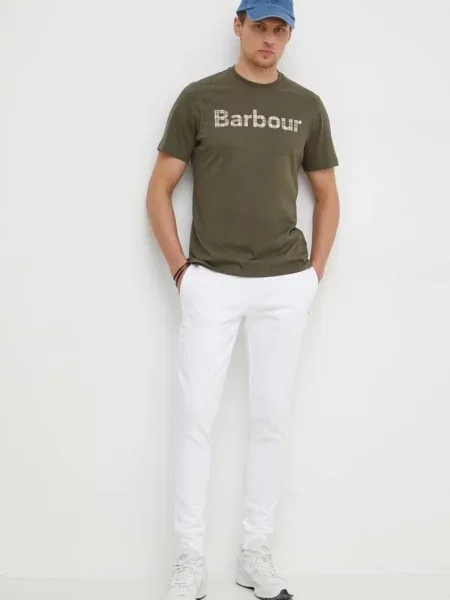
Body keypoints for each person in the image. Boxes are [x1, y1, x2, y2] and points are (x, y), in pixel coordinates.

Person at [146, 0, 340, 598]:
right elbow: (159, 188)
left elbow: (328, 195)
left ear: (289, 35)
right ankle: (189, 558)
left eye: (280, 30)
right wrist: (181, 271)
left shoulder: (306, 106)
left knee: (270, 420)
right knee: (196, 417)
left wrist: (313, 275)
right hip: (211, 281)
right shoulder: (199, 98)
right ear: (239, 25)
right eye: (260, 27)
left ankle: (254, 552)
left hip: (285, 284)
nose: (269, 39)